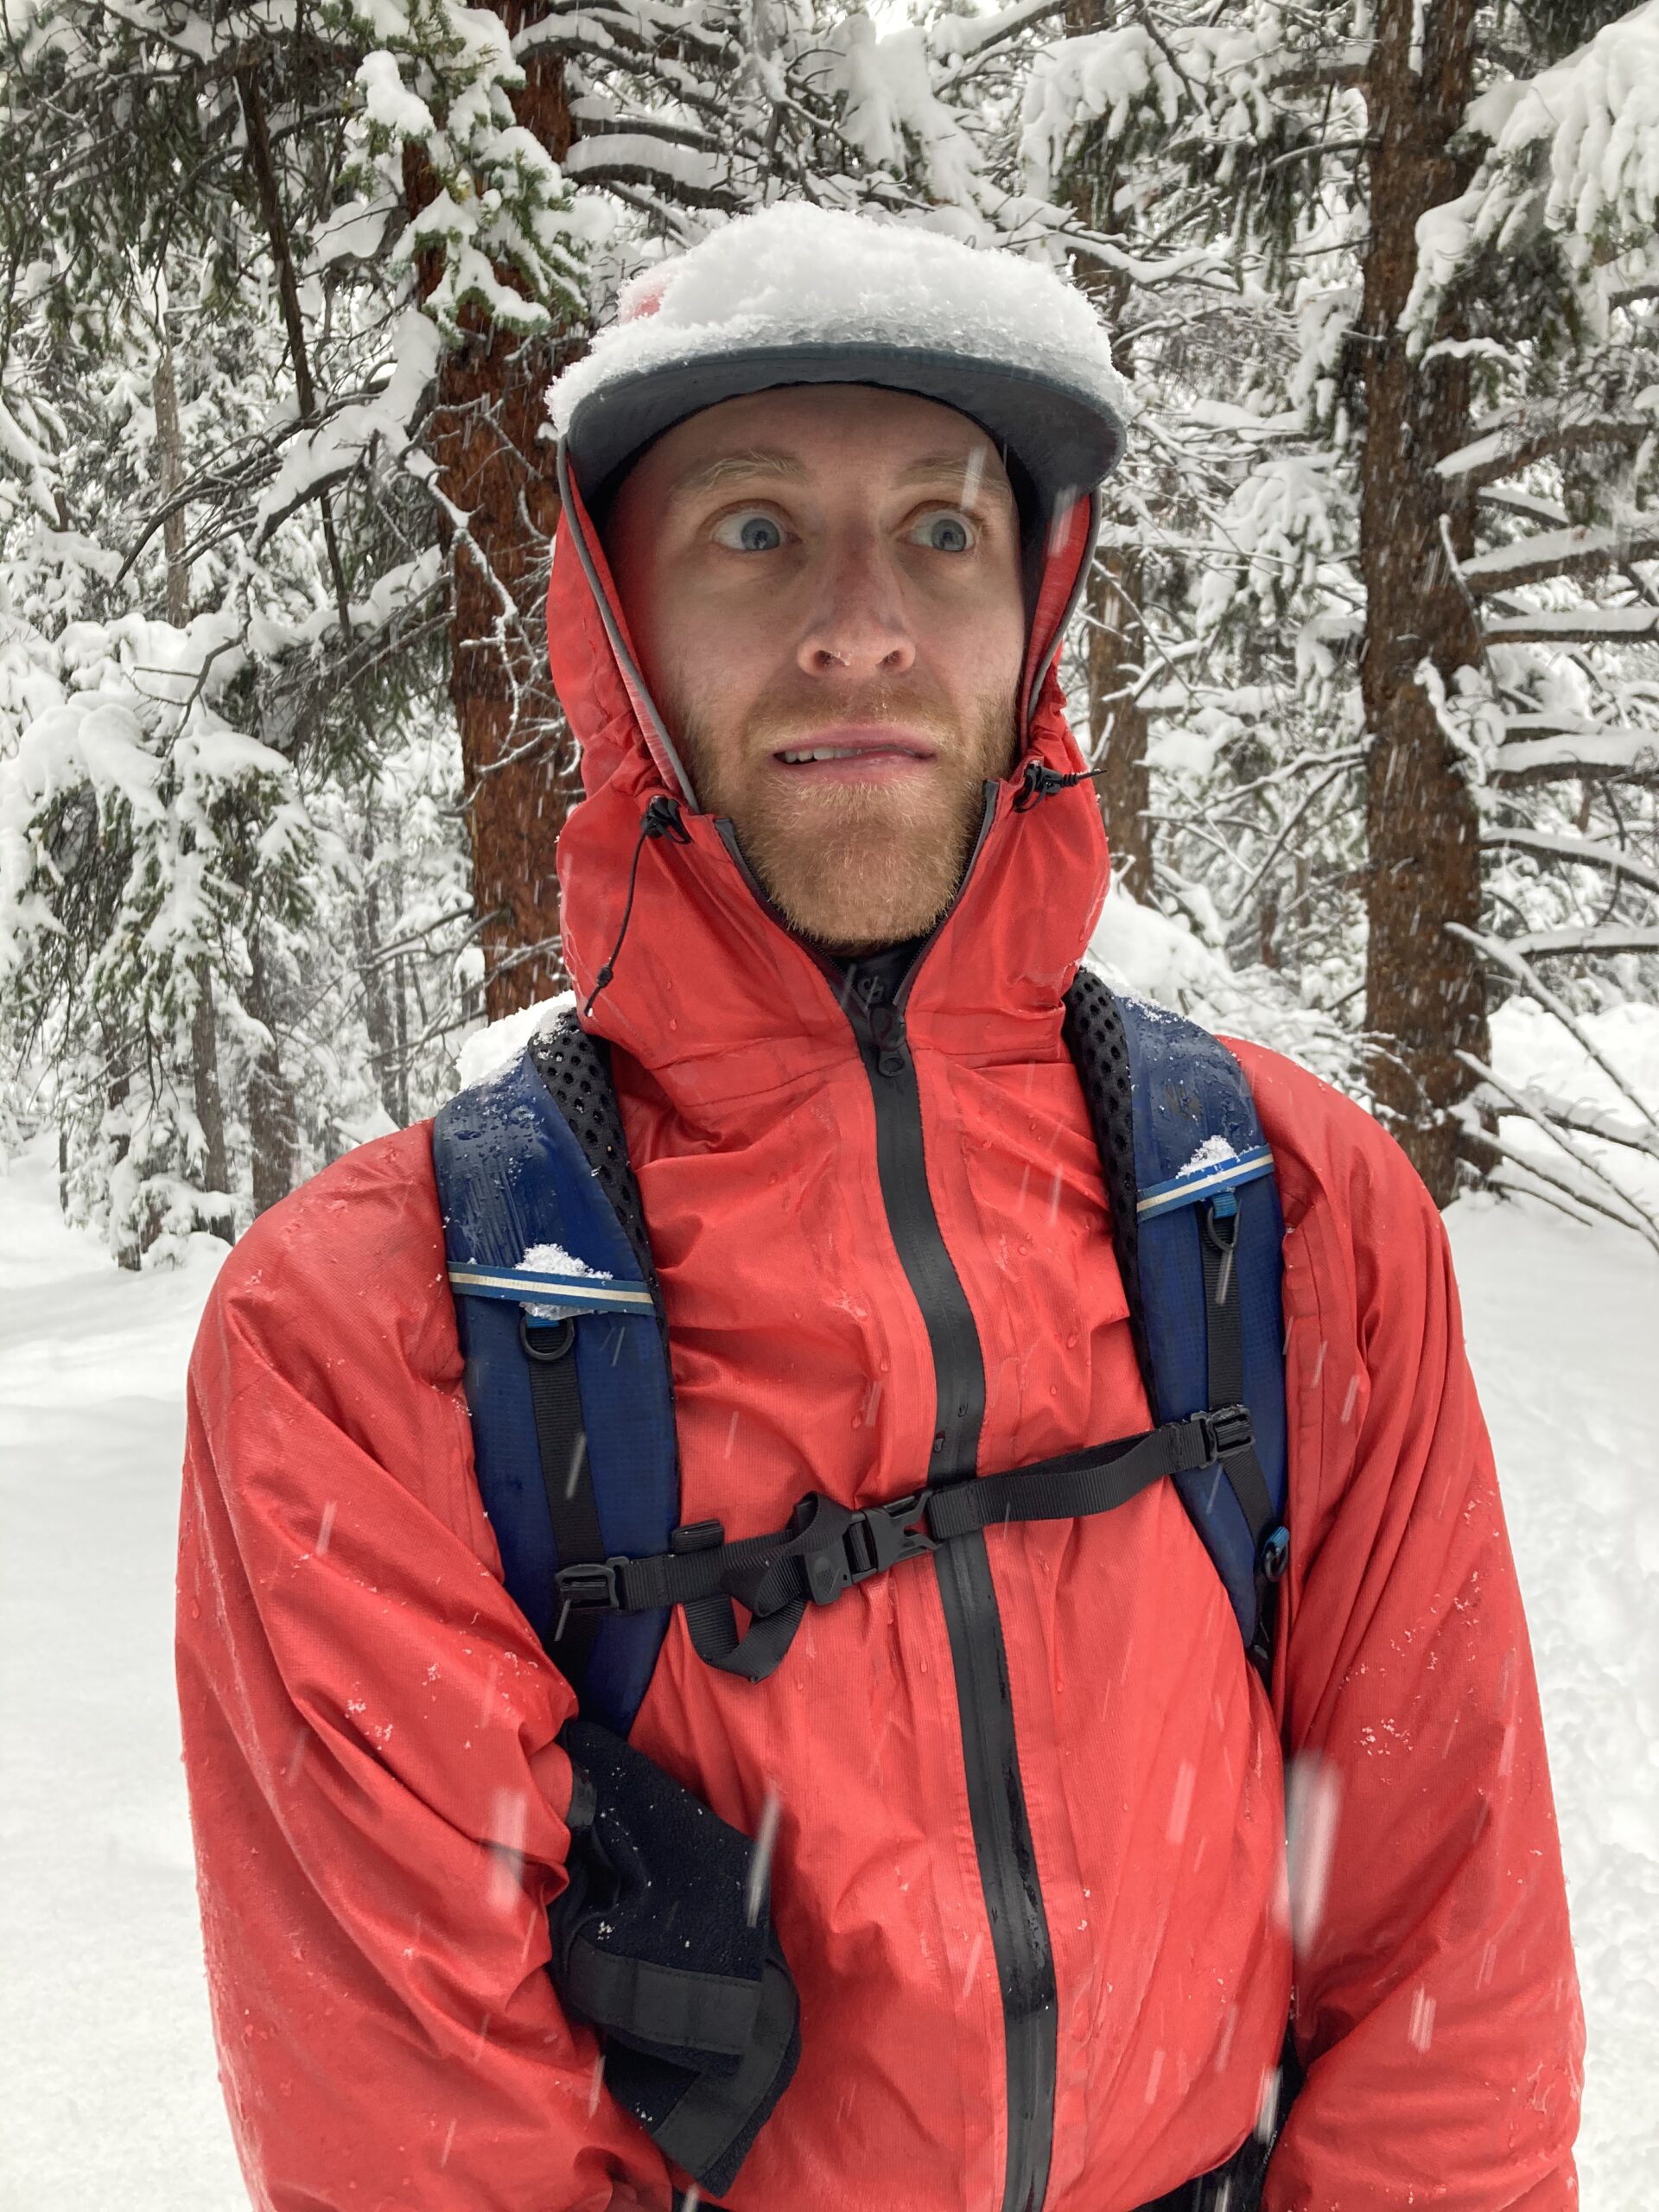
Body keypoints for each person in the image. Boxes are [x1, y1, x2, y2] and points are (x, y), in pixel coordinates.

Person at [176, 206, 1582, 2212]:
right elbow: (424, 2146)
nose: (863, 623)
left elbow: (1446, 1958)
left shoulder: (1292, 1213)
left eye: (942, 528)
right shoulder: (367, 1332)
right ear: (621, 633)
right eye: (754, 529)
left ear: (1033, 616)